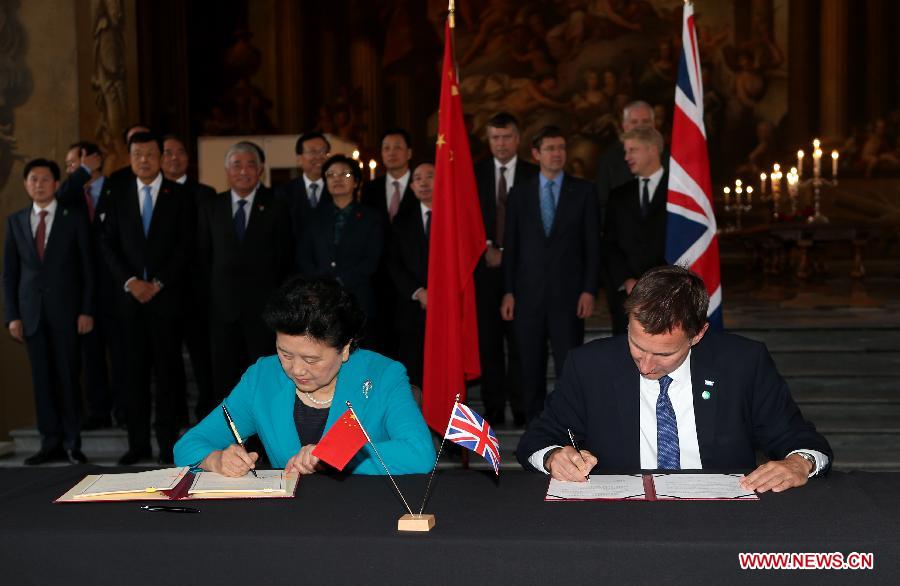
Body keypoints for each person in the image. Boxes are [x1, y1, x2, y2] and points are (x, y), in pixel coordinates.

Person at [517, 266, 833, 494]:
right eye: (637, 346)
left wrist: (799, 462)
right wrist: (552, 456)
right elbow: (538, 438)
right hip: (621, 518)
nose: (645, 365)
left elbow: (800, 439)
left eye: (664, 355)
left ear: (698, 335)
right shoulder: (590, 365)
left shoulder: (742, 364)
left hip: (721, 517)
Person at [174, 276, 435, 476]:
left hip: (362, 516)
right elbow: (189, 445)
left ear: (344, 349)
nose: (296, 369)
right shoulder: (262, 378)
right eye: (285, 354)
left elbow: (419, 454)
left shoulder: (383, 375)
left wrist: (334, 455)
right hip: (288, 521)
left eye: (311, 359)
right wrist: (216, 460)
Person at [99, 132, 193, 465]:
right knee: (132, 375)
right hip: (128, 302)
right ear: (130, 157)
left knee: (168, 375)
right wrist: (130, 282)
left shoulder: (179, 195)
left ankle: (168, 445)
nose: (144, 160)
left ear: (161, 157)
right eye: (137, 154)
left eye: (151, 154)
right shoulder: (117, 193)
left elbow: (186, 245)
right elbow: (106, 244)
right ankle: (137, 444)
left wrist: (158, 282)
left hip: (165, 301)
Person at [501, 126, 600, 422]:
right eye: (550, 149)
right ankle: (534, 421)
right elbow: (512, 247)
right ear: (536, 153)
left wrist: (589, 289)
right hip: (527, 295)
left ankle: (568, 420)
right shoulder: (519, 193)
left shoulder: (584, 191)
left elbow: (592, 245)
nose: (557, 154)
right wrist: (508, 291)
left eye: (561, 148)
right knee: (530, 362)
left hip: (569, 296)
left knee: (569, 362)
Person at [3, 159, 94, 464]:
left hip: (68, 313)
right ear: (26, 185)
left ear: (56, 184)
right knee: (41, 380)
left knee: (68, 377)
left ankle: (72, 443)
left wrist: (86, 310)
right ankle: (49, 442)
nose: (39, 184)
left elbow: (88, 269)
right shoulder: (16, 220)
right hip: (31, 315)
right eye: (33, 179)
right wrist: (12, 315)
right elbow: (10, 274)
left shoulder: (74, 217)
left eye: (45, 179)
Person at [198, 141, 293, 416]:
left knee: (264, 382)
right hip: (222, 313)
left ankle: (263, 446)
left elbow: (285, 260)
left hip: (263, 314)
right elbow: (203, 260)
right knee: (224, 382)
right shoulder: (211, 207)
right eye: (236, 164)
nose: (243, 171)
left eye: (250, 164)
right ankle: (228, 443)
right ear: (227, 170)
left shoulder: (276, 206)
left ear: (261, 170)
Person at [473, 112, 538, 426]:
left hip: (524, 273)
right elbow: (467, 220)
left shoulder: (534, 175)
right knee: (489, 343)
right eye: (495, 137)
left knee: (521, 341)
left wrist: (508, 252)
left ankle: (522, 406)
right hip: (483, 273)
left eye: (506, 137)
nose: (500, 143)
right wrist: (485, 245)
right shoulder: (473, 174)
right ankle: (494, 407)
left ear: (518, 138)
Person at [297, 155, 382, 345]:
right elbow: (304, 256)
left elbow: (372, 260)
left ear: (357, 181)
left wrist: (341, 281)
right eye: (331, 174)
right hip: (321, 300)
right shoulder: (314, 217)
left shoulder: (371, 217)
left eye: (345, 173)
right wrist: (324, 283)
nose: (337, 178)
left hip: (359, 299)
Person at [162, 134, 217, 424]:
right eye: (168, 152)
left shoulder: (205, 194)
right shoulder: (154, 193)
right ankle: (177, 415)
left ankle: (206, 414)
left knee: (202, 360)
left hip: (198, 291)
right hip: (164, 292)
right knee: (168, 360)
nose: (174, 157)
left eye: (180, 152)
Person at [603, 126, 669, 335]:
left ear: (652, 150)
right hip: (627, 297)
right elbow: (609, 244)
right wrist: (626, 279)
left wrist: (656, 282)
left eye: (632, 150)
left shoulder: (679, 193)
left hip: (669, 294)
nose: (626, 157)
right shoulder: (618, 195)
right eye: (625, 151)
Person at [361, 128, 417, 358]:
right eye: (386, 148)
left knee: (412, 345)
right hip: (379, 279)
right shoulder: (370, 189)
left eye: (397, 147)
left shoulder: (422, 184)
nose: (391, 153)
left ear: (409, 152)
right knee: (381, 344)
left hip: (413, 277)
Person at [387, 162, 434, 387]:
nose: (424, 182)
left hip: (449, 309)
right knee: (413, 372)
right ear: (412, 187)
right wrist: (419, 292)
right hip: (412, 309)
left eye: (430, 176)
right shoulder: (402, 222)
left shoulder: (455, 219)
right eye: (418, 178)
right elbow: (394, 264)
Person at [274, 131, 333, 228]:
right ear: (299, 159)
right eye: (313, 151)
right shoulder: (284, 192)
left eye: (324, 151)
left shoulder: (337, 188)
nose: (319, 157)